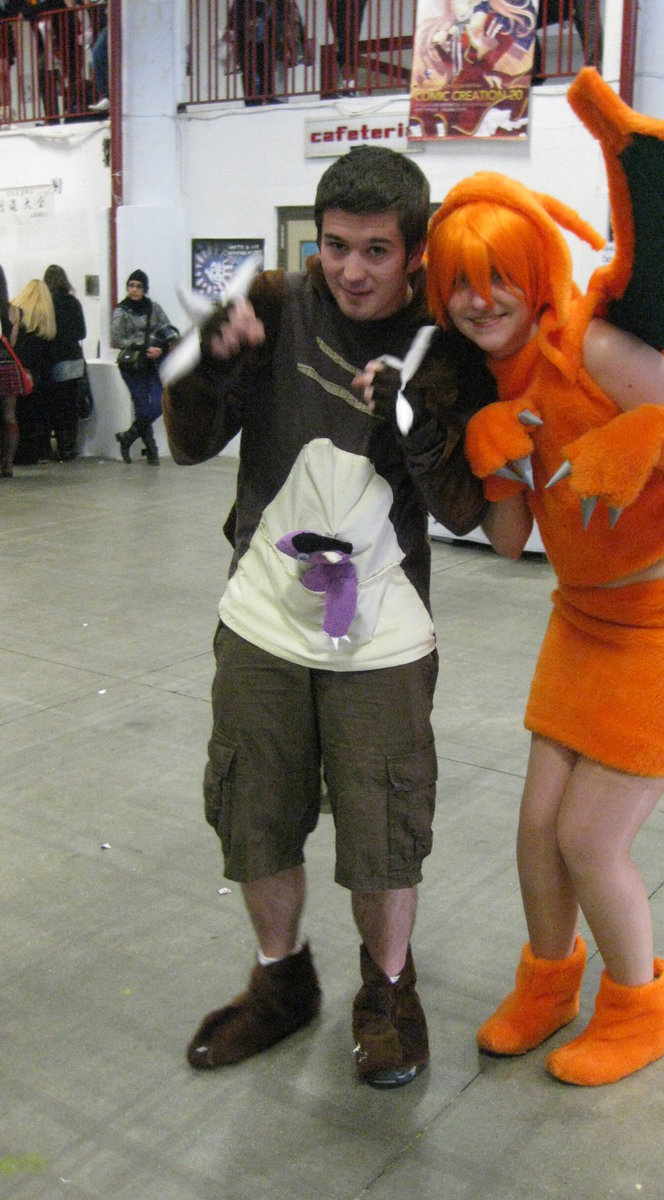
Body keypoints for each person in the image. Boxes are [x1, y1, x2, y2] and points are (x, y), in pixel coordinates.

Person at [162, 145, 492, 1087]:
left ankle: (387, 993)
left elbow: (467, 509)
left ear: (415, 253)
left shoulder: (443, 344)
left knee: (384, 825)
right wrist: (205, 363)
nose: (351, 269)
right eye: (336, 246)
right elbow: (188, 445)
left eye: (376, 250)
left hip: (383, 631)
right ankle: (281, 980)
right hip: (262, 617)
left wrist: (414, 420)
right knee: (254, 812)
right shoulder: (273, 304)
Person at [422, 172, 664, 1086]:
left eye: (498, 276)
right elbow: (511, 542)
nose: (480, 300)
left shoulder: (594, 344)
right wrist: (493, 458)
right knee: (537, 826)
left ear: (535, 271)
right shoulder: (488, 379)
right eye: (459, 283)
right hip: (586, 616)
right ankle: (549, 986)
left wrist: (651, 438)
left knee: (590, 839)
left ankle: (638, 1010)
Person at [111, 269, 176, 465]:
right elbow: (117, 339)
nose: (134, 290)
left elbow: (169, 331)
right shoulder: (121, 311)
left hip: (152, 364)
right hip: (132, 365)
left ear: (144, 288)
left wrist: (161, 349)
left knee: (158, 404)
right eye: (131, 285)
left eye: (138, 286)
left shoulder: (154, 308)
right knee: (142, 407)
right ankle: (152, 450)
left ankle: (128, 437)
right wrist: (141, 346)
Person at [9, 278, 56, 463]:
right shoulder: (46, 319)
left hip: (17, 370)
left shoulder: (16, 312)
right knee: (34, 416)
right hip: (37, 376)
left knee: (15, 414)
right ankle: (32, 454)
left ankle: (12, 455)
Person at [43, 264, 87, 460]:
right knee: (71, 405)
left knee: (57, 406)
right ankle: (69, 446)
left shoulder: (47, 305)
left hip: (56, 359)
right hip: (75, 359)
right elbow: (82, 332)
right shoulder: (74, 302)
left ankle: (61, 447)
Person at [0, 263, 22, 476]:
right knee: (9, 416)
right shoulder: (13, 311)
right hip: (8, 366)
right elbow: (13, 343)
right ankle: (7, 465)